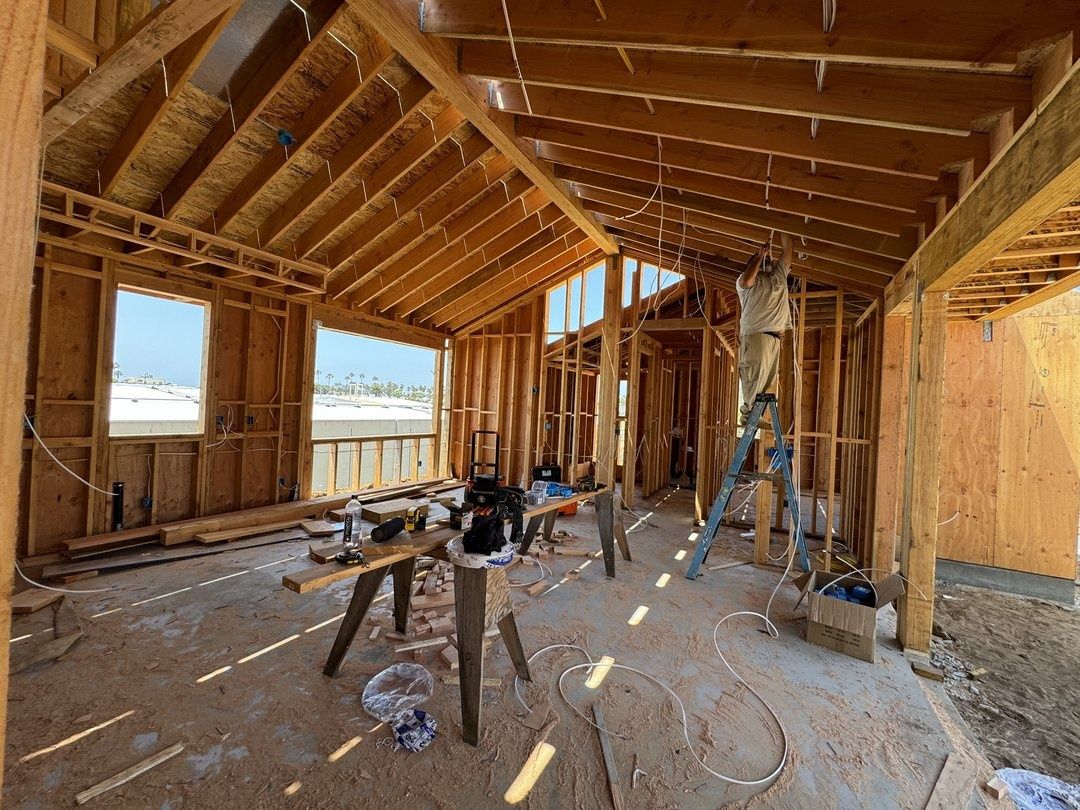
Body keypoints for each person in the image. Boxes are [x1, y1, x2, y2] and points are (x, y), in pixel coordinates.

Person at [736, 233, 793, 425]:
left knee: (766, 379)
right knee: (754, 374)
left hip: (774, 337)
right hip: (757, 334)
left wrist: (784, 227)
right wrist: (759, 256)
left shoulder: (778, 276)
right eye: (762, 261)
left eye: (767, 259)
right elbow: (747, 279)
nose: (767, 262)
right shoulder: (745, 283)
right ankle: (748, 415)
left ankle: (754, 414)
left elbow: (787, 252)